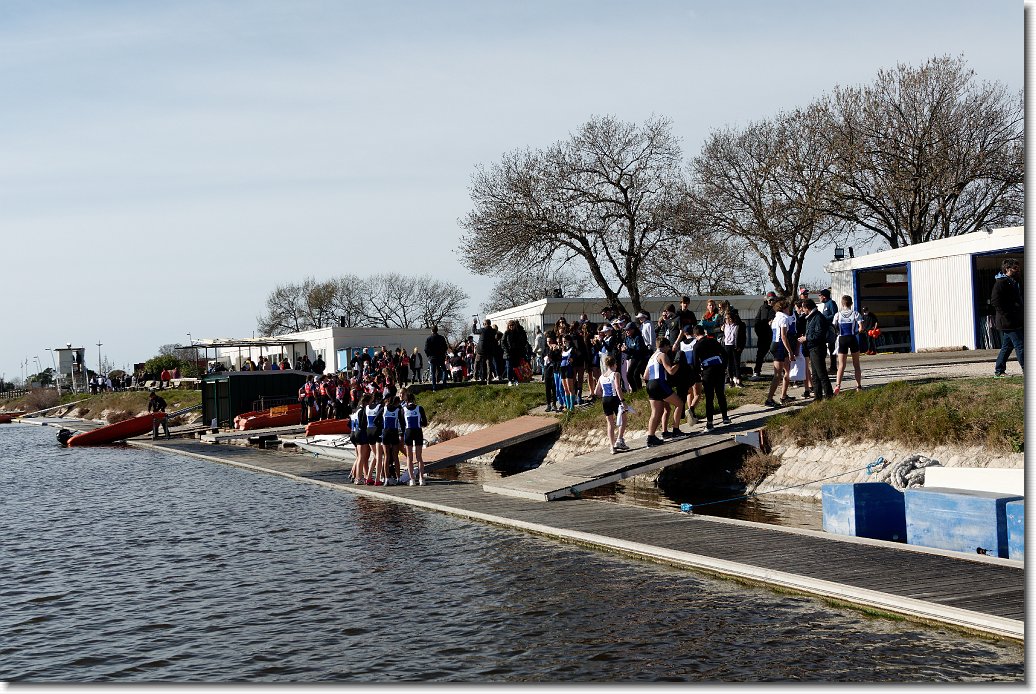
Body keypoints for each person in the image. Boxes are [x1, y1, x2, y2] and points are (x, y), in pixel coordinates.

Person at [643, 336, 685, 446]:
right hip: (659, 383)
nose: (669, 349)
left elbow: (645, 376)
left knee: (656, 412)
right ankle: (676, 430)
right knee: (679, 404)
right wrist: (678, 363)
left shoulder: (652, 357)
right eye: (668, 346)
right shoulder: (663, 355)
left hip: (650, 384)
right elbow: (671, 371)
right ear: (665, 346)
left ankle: (650, 437)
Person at [691, 325, 729, 429]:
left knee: (709, 397)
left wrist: (698, 374)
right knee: (720, 394)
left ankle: (710, 423)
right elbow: (725, 354)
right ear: (704, 332)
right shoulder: (713, 341)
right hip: (719, 369)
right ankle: (725, 418)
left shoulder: (697, 346)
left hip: (708, 371)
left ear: (695, 335)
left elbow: (695, 363)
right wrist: (724, 366)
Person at [991, 258, 1024, 377]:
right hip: (1008, 322)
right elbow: (995, 301)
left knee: (1007, 346)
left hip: (1015, 320)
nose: (1017, 270)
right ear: (1007, 269)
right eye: (1015, 268)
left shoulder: (1014, 281)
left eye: (1018, 267)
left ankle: (999, 371)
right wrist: (1007, 314)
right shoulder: (1001, 283)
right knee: (1021, 345)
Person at [799, 299, 834, 401]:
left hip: (817, 348)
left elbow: (819, 335)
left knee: (821, 373)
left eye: (803, 308)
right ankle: (817, 397)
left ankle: (829, 396)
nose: (802, 310)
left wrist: (806, 338)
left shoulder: (818, 317)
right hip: (812, 348)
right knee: (815, 375)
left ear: (807, 308)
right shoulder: (811, 317)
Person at [594, 355, 629, 454]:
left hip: (605, 399)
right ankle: (619, 439)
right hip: (614, 399)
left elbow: (597, 392)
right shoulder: (615, 374)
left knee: (610, 423)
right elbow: (618, 388)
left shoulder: (602, 376)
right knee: (623, 418)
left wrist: (605, 396)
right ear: (614, 364)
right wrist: (622, 400)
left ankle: (611, 446)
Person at [765, 298, 796, 408]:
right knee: (777, 375)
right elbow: (783, 336)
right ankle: (769, 399)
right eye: (788, 307)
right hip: (779, 346)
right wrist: (790, 352)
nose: (789, 309)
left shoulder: (776, 317)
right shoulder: (783, 318)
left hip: (776, 344)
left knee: (787, 370)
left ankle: (783, 396)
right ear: (784, 308)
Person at [833, 295, 865, 394]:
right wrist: (856, 333)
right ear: (851, 304)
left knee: (841, 365)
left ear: (842, 304)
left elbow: (834, 327)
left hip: (842, 338)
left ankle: (838, 385)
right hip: (852, 338)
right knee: (856, 364)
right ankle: (858, 386)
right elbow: (861, 328)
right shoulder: (855, 313)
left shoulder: (837, 314)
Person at [673, 324, 702, 427]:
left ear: (684, 333)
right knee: (697, 393)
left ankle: (691, 416)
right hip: (694, 369)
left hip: (684, 371)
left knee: (689, 392)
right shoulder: (696, 342)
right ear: (693, 333)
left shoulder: (681, 344)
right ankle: (691, 410)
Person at [401, 390, 428, 485]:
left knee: (409, 457)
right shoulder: (420, 408)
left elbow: (402, 424)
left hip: (408, 432)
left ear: (406, 400)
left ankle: (412, 479)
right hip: (418, 432)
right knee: (419, 457)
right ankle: (421, 479)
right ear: (414, 400)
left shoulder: (403, 409)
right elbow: (425, 423)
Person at [349, 394, 373, 484]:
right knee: (361, 457)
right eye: (371, 401)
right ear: (367, 401)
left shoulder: (357, 410)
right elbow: (363, 424)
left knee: (361, 457)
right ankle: (358, 478)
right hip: (361, 434)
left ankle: (364, 476)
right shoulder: (362, 410)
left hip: (355, 433)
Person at [753, 292, 777, 379]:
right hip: (763, 337)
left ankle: (779, 372)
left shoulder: (776, 309)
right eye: (770, 300)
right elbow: (756, 321)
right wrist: (759, 333)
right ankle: (757, 371)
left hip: (774, 337)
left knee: (777, 355)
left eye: (773, 299)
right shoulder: (762, 308)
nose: (772, 301)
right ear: (766, 300)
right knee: (760, 355)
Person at [722, 309, 747, 388]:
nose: (728, 320)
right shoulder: (724, 326)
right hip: (727, 346)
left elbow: (743, 338)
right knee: (729, 364)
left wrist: (741, 347)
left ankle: (739, 381)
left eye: (729, 318)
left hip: (735, 346)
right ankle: (731, 380)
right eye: (726, 318)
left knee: (737, 364)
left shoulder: (738, 326)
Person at [472, 317, 499, 384]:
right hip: (489, 350)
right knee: (489, 365)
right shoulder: (493, 331)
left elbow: (474, 331)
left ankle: (475, 377)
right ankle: (489, 379)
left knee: (477, 363)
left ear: (484, 324)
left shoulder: (482, 330)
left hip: (481, 350)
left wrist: (474, 324)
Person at [817, 288, 839, 373]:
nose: (819, 298)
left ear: (824, 296)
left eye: (820, 296)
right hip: (825, 328)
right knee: (827, 347)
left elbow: (834, 315)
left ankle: (833, 367)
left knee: (831, 347)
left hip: (830, 328)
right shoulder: (825, 304)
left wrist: (823, 318)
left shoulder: (831, 303)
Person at [424, 325, 449, 391]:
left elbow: (426, 349)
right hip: (440, 357)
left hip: (432, 358)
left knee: (433, 373)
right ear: (437, 330)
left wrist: (429, 356)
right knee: (444, 370)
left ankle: (434, 387)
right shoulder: (441, 338)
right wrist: (443, 353)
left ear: (431, 331)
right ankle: (444, 383)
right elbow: (445, 347)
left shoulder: (429, 339)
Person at [543, 333, 560, 412]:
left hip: (554, 370)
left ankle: (554, 404)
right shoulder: (546, 349)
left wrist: (552, 351)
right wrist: (550, 351)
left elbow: (553, 358)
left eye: (550, 341)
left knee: (554, 387)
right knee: (547, 388)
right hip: (547, 370)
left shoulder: (556, 349)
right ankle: (548, 404)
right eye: (547, 341)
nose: (548, 343)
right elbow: (545, 358)